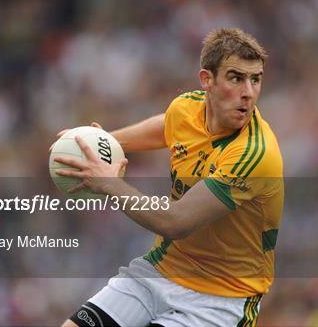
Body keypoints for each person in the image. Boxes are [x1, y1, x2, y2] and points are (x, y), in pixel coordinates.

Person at [56, 28, 284, 327]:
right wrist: (107, 141)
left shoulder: (254, 154)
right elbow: (168, 124)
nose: (248, 91)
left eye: (256, 79)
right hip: (159, 272)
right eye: (236, 78)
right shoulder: (187, 106)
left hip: (219, 300)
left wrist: (108, 182)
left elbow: (175, 222)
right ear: (207, 81)